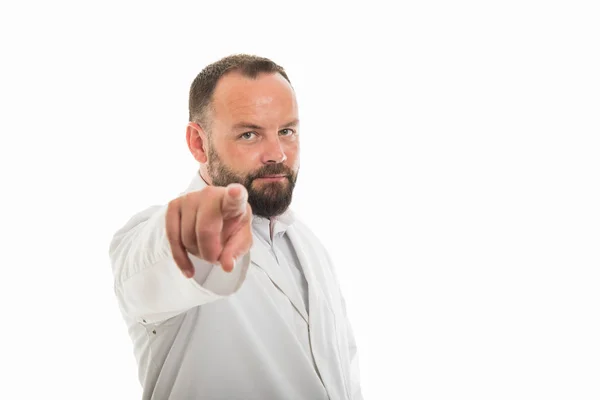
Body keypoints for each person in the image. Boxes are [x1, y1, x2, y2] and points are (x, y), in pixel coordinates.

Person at [109, 54, 363, 400]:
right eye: (249, 134)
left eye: (286, 131)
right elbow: (158, 262)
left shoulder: (310, 247)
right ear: (199, 144)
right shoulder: (147, 239)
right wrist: (194, 227)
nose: (277, 154)